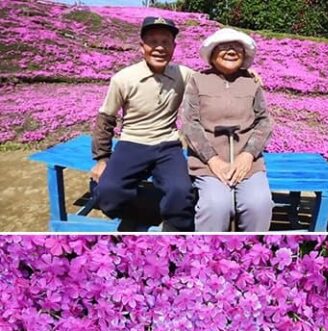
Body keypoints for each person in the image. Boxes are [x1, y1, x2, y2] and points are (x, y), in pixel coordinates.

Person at [91, 16, 195, 231]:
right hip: (132, 143)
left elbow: (212, 81)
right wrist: (102, 159)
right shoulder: (124, 78)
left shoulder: (183, 74)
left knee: (181, 191)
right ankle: (149, 211)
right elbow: (106, 118)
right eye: (153, 42)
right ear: (142, 47)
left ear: (174, 47)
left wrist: (246, 72)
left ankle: (174, 231)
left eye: (166, 42)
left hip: (168, 145)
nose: (159, 48)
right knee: (107, 193)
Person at [181, 28, 274, 232]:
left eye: (236, 47)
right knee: (216, 206)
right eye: (223, 47)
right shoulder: (197, 80)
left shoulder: (252, 83)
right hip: (208, 163)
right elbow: (190, 123)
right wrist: (212, 159)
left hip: (247, 162)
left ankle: (251, 252)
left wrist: (248, 155)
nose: (231, 50)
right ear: (212, 55)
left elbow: (264, 122)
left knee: (259, 204)